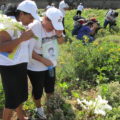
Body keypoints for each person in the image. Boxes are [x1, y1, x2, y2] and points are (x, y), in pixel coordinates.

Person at [0, 1, 40, 120]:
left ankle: (21, 117)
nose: (32, 20)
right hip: (10, 68)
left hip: (20, 65)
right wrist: (21, 39)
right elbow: (1, 47)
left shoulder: (19, 24)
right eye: (30, 17)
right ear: (22, 14)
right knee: (11, 100)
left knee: (20, 95)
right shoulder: (7, 24)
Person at [27, 7, 64, 119]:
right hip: (36, 67)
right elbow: (29, 51)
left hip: (50, 64)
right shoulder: (34, 27)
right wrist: (43, 61)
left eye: (55, 26)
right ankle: (39, 108)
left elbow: (61, 42)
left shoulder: (56, 27)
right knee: (38, 90)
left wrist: (59, 35)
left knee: (50, 88)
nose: (53, 28)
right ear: (45, 19)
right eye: (51, 25)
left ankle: (49, 105)